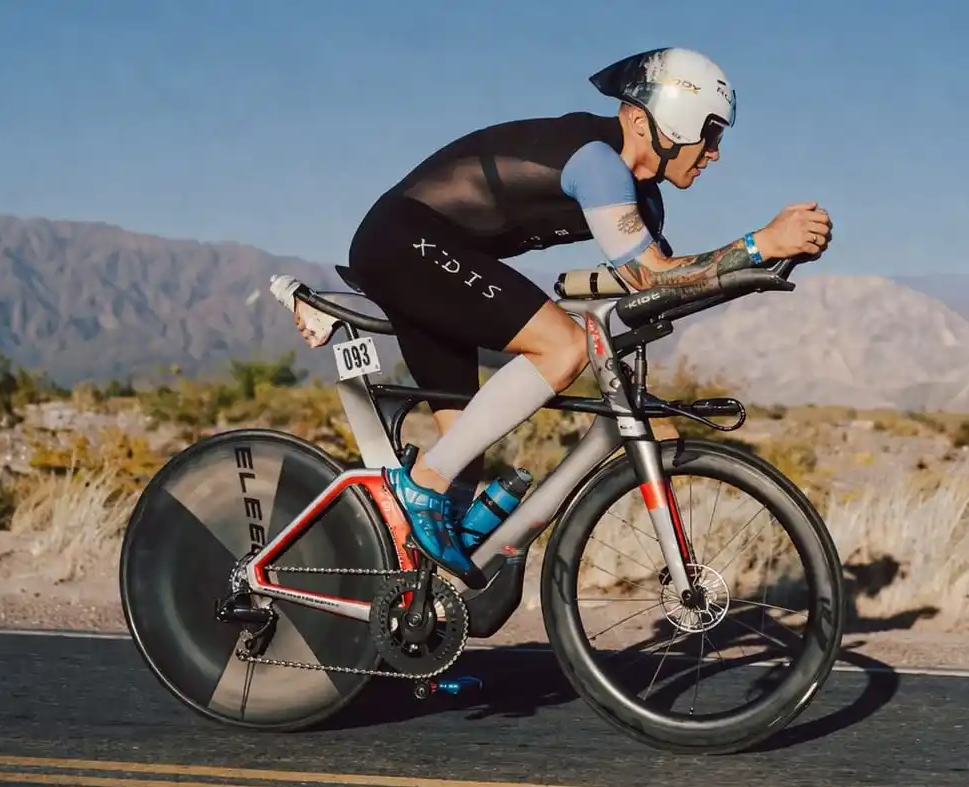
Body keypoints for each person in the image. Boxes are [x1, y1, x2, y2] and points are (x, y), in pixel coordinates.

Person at [282, 47, 832, 583]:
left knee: (463, 456)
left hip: (439, 261)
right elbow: (652, 275)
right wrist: (759, 243)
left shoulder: (645, 201)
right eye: (708, 132)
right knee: (561, 347)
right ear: (656, 123)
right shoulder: (598, 162)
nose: (714, 152)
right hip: (405, 241)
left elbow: (659, 289)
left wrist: (762, 268)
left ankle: (408, 612)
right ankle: (419, 487)